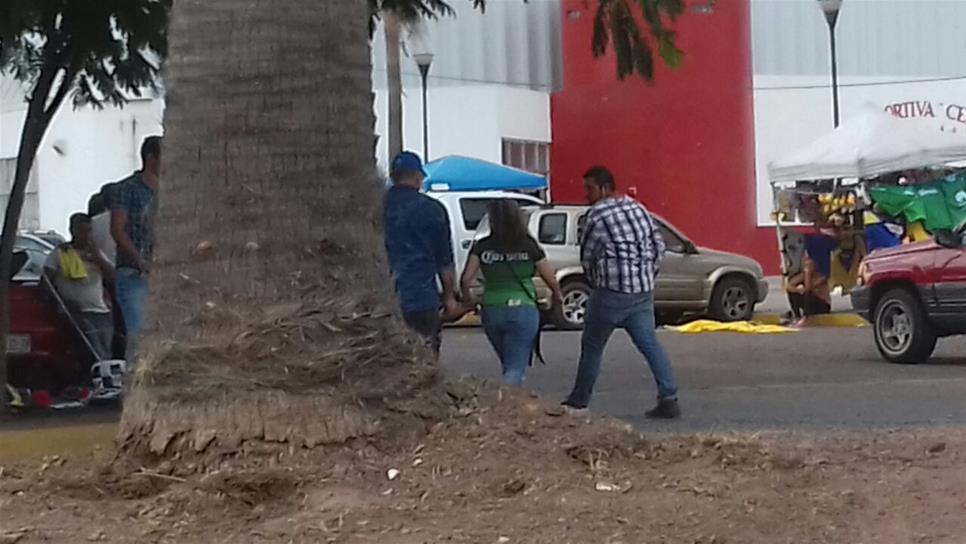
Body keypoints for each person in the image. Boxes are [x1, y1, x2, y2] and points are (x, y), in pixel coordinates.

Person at [563, 166, 680, 419]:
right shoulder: (638, 208)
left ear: (604, 188)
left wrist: (596, 281)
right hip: (642, 290)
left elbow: (588, 255)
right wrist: (648, 272)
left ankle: (579, 401)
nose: (586, 194)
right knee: (649, 344)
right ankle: (668, 395)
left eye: (589, 188)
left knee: (593, 346)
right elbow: (658, 243)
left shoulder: (595, 216)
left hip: (611, 292)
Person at [460, 199, 562, 385]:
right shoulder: (528, 245)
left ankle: (510, 401)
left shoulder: (482, 246)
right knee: (515, 368)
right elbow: (550, 278)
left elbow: (466, 279)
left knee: (509, 363)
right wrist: (557, 297)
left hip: (492, 308)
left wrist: (469, 300)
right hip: (523, 308)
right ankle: (504, 403)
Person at [383, 151, 460, 353]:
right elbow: (445, 260)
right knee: (424, 358)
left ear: (392, 176)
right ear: (418, 177)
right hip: (421, 298)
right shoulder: (432, 209)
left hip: (380, 297)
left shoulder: (375, 207)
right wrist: (449, 297)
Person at [111, 135, 162, 363]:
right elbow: (118, 230)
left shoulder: (169, 191)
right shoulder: (127, 189)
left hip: (162, 273)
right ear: (151, 158)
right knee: (138, 334)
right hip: (134, 273)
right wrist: (140, 260)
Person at [44, 213, 115, 360]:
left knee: (105, 351)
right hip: (75, 313)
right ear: (72, 230)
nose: (86, 235)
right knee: (92, 352)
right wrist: (61, 303)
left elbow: (112, 277)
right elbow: (45, 282)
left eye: (89, 231)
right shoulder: (60, 254)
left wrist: (97, 256)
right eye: (82, 231)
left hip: (100, 312)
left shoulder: (97, 254)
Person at [785, 254, 831, 322]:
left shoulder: (821, 276)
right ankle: (797, 316)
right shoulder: (803, 275)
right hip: (810, 304)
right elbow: (788, 286)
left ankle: (806, 318)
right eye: (805, 265)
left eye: (809, 265)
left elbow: (809, 288)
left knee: (808, 293)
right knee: (792, 293)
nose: (806, 267)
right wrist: (798, 290)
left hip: (822, 305)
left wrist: (807, 273)